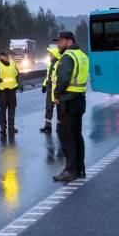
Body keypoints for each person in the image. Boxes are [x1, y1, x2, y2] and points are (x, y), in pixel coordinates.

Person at [51, 31, 89, 182]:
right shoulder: (83, 56)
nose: (58, 44)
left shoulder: (68, 57)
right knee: (76, 135)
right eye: (58, 41)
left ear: (70, 42)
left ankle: (70, 170)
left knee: (65, 135)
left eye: (61, 41)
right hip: (79, 100)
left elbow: (64, 78)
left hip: (68, 102)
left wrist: (56, 95)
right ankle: (80, 168)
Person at [0, 49, 23, 136]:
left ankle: (11, 127)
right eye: (5, 56)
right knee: (3, 110)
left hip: (12, 91)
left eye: (8, 56)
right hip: (3, 92)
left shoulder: (12, 63)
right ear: (1, 56)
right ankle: (3, 128)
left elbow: (17, 75)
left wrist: (21, 85)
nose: (7, 57)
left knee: (12, 110)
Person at [39, 46, 62, 133]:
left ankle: (59, 126)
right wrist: (44, 85)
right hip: (50, 90)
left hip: (57, 90)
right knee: (48, 108)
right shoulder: (49, 64)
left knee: (59, 109)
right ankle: (47, 125)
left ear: (55, 54)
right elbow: (48, 77)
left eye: (50, 54)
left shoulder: (60, 64)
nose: (49, 55)